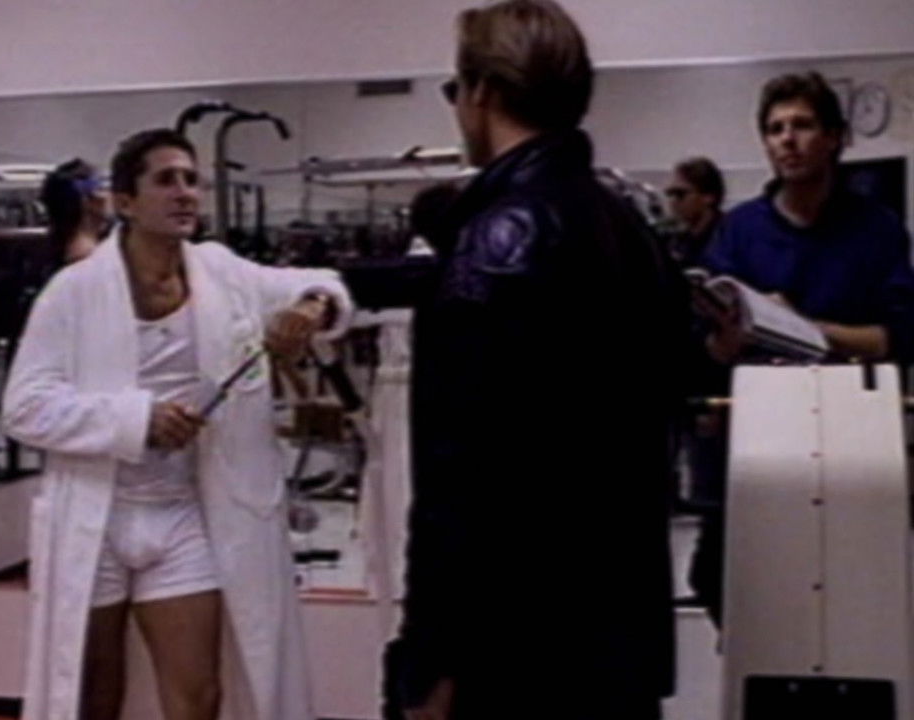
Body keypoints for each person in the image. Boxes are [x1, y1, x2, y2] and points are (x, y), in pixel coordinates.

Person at [385, 2, 689, 718]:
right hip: (616, 634)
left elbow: (456, 479)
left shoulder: (493, 245)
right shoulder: (628, 229)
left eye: (455, 88)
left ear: (484, 91)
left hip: (513, 646)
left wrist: (428, 658)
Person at [5, 128, 352, 720]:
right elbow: (24, 406)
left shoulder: (220, 271)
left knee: (199, 695)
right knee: (92, 694)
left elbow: (320, 284)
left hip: (182, 514)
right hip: (99, 514)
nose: (185, 192)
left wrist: (310, 306)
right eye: (166, 180)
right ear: (126, 201)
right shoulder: (74, 291)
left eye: (192, 180)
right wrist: (137, 419)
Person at [689, 71, 914, 627]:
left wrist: (803, 327)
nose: (787, 140)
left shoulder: (877, 230)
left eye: (802, 125)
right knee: (731, 591)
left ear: (834, 138)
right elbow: (710, 352)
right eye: (775, 129)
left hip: (852, 441)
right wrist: (728, 337)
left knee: (852, 602)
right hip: (758, 442)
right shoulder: (738, 233)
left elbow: (896, 338)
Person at [39, 158, 113, 267]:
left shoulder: (66, 245)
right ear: (85, 201)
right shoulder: (86, 256)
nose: (109, 195)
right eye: (102, 188)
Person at [665, 157, 725, 267]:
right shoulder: (678, 242)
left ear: (708, 196)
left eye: (680, 194)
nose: (673, 202)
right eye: (670, 194)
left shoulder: (730, 237)